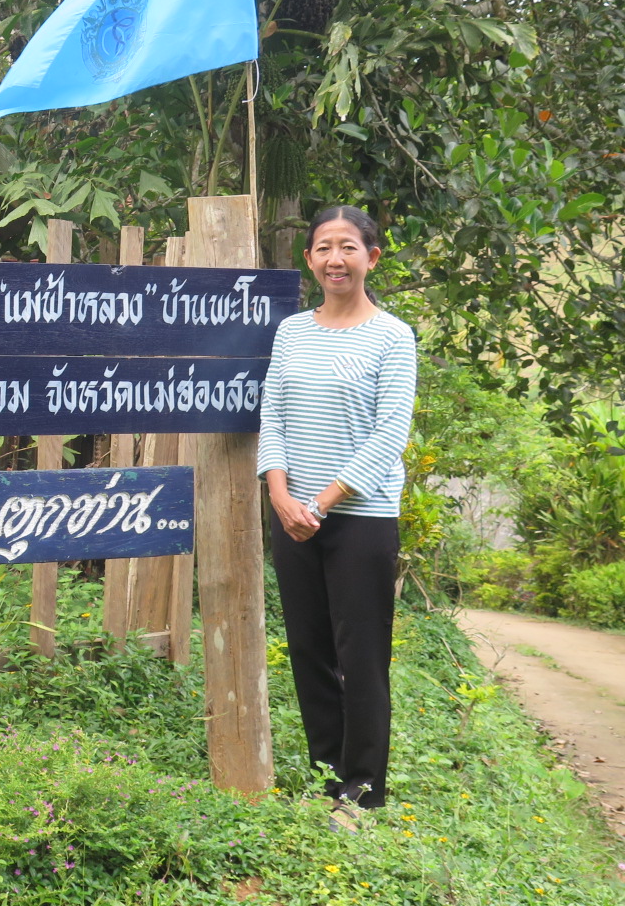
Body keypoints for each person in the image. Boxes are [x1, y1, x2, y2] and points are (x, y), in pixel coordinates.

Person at [256, 205, 417, 832]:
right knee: (309, 649)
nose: (335, 259)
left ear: (371, 258)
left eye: (348, 247)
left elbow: (388, 436)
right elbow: (273, 414)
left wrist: (320, 502)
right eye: (324, 247)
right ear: (310, 261)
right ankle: (328, 774)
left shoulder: (392, 336)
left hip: (360, 517)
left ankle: (363, 791)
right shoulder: (292, 332)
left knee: (362, 651)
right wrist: (278, 493)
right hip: (292, 513)